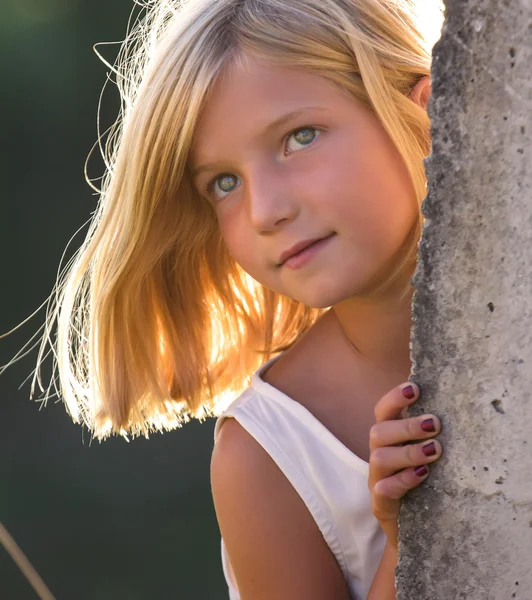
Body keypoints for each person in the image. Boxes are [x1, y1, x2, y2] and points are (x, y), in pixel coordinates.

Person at [33, 0, 445, 597]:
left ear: (424, 109)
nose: (264, 211)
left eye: (299, 138)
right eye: (224, 183)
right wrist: (410, 541)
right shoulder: (265, 456)